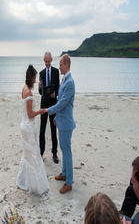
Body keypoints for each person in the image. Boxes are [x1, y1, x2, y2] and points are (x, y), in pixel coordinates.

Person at [16, 64, 49, 195]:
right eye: (35, 78)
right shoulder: (28, 92)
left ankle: (25, 179)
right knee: (34, 153)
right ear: (31, 78)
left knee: (28, 154)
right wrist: (40, 111)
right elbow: (30, 114)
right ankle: (34, 184)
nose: (36, 80)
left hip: (24, 124)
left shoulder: (23, 88)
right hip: (28, 126)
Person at [45, 54, 76, 194]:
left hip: (67, 123)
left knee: (67, 153)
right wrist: (56, 116)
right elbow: (59, 101)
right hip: (61, 121)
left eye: (61, 65)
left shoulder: (70, 82)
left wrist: (48, 111)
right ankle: (64, 174)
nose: (59, 67)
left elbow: (62, 103)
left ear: (67, 65)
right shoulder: (64, 79)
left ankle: (69, 182)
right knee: (64, 150)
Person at [38, 51, 60, 163]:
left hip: (53, 104)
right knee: (42, 130)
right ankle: (41, 153)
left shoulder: (56, 71)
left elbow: (58, 88)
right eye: (45, 61)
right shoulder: (41, 73)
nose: (47, 63)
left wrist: (55, 93)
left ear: (51, 60)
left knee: (53, 129)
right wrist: (39, 87)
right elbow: (40, 92)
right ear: (44, 60)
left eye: (48, 61)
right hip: (43, 104)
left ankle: (54, 153)